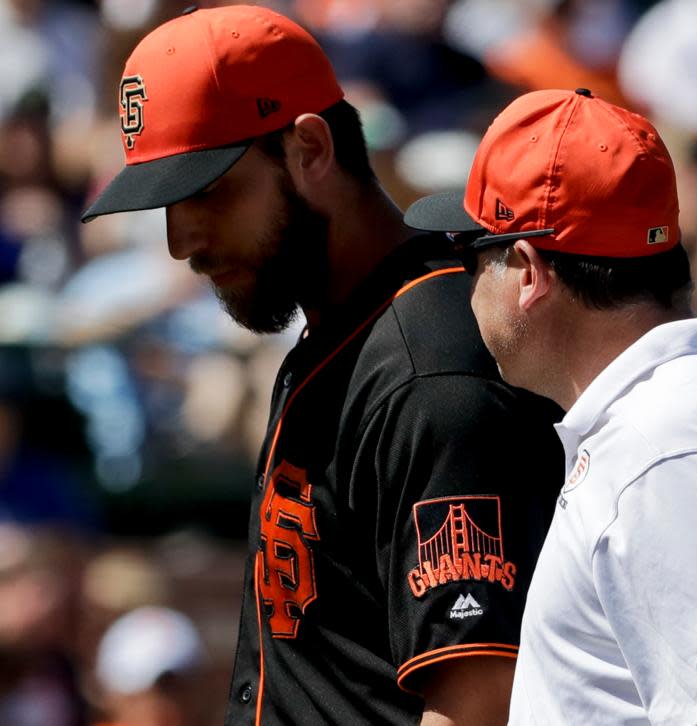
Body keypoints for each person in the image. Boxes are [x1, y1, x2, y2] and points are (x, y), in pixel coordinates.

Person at [81, 6, 562, 725]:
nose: (181, 240)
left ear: (309, 148)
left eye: (207, 192)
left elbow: (479, 705)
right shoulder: (350, 334)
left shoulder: (430, 373)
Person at [405, 88, 697, 725]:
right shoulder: (686, 420)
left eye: (467, 255)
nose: (464, 286)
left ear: (528, 271)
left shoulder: (670, 451)